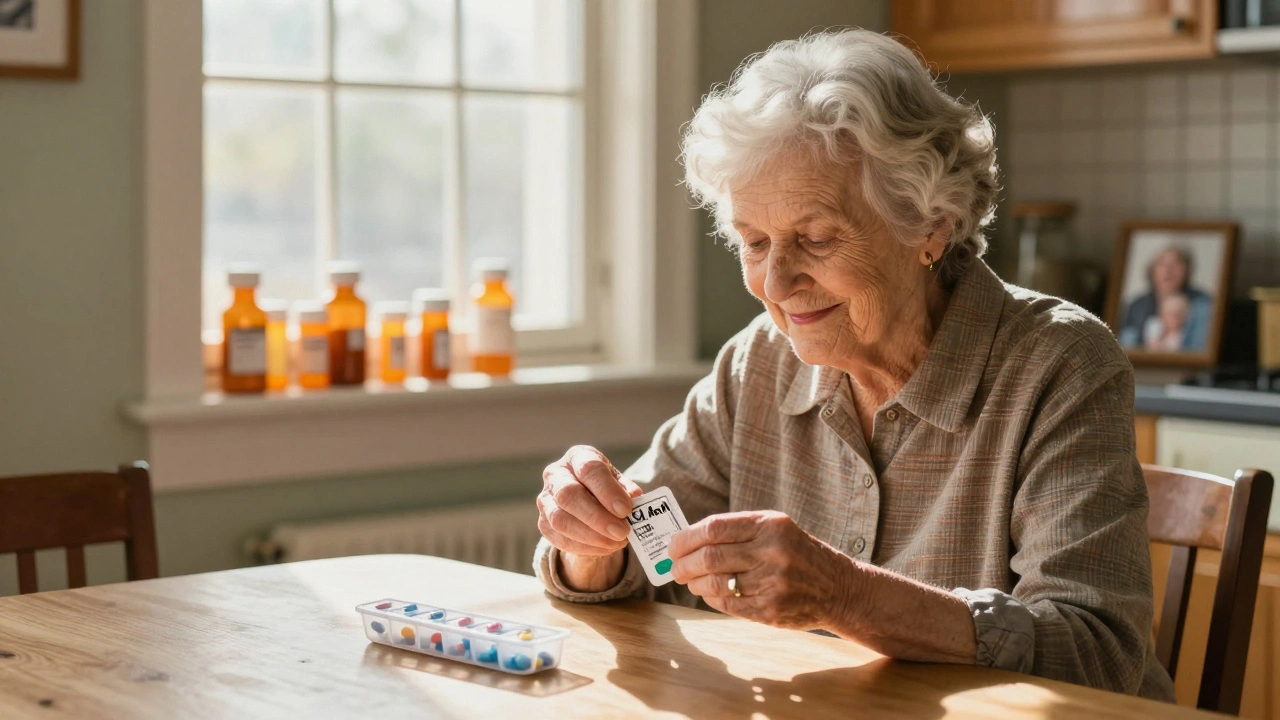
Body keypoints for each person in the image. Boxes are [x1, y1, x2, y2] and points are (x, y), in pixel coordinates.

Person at [532, 29, 1175, 701]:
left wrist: (846, 596)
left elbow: (1095, 651)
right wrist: (589, 542)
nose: (776, 283)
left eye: (815, 238)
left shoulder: (1061, 364)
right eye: (754, 242)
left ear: (931, 225)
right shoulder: (759, 361)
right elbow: (636, 563)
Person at [1119, 245, 1212, 352]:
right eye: (1162, 264)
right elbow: (1125, 347)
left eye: (1176, 263)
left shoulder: (1202, 304)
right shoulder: (1137, 306)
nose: (1168, 270)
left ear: (1186, 270)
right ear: (1152, 270)